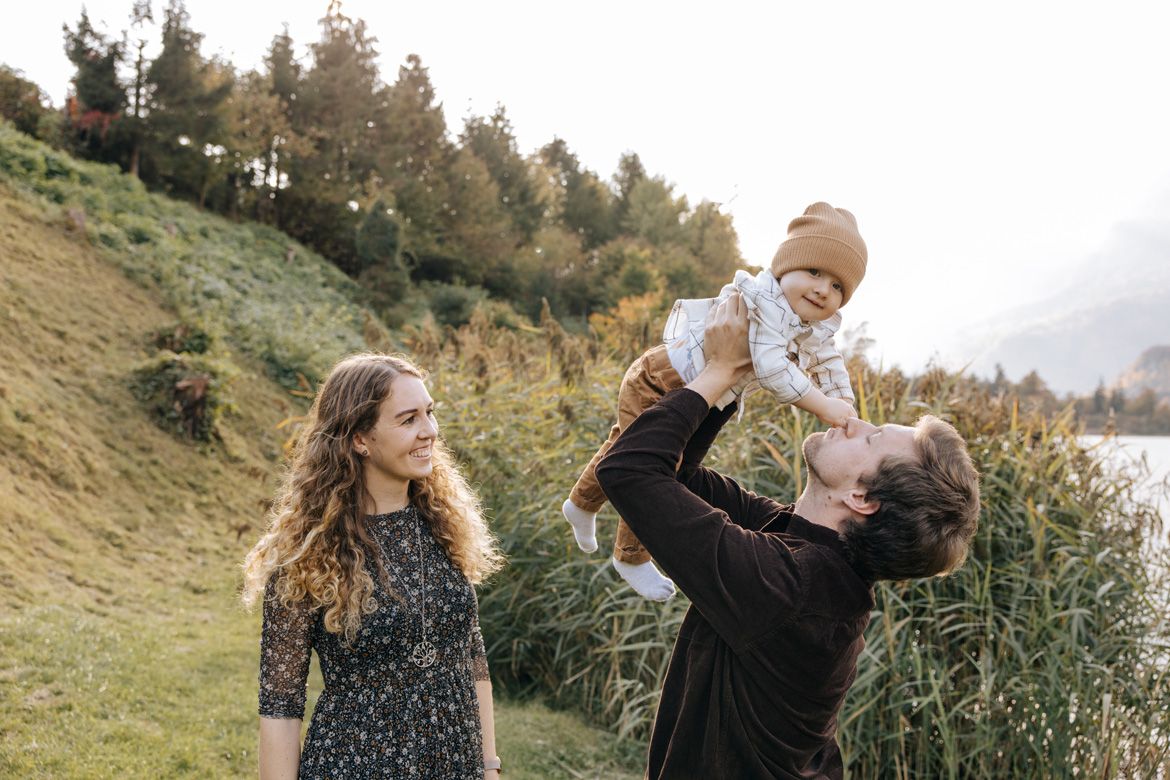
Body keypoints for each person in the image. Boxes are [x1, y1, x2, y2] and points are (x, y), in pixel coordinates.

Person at [595, 295, 981, 779]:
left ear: (862, 498)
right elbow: (679, 476)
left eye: (870, 438)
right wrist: (739, 372)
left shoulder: (791, 587)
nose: (850, 420)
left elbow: (629, 472)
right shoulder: (806, 553)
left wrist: (717, 371)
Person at [564, 202, 866, 601]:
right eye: (813, 272)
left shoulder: (811, 323)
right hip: (661, 380)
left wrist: (843, 400)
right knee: (657, 464)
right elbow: (774, 369)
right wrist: (823, 407)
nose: (822, 289)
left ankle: (581, 504)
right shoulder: (766, 304)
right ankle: (630, 556)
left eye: (837, 286)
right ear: (784, 268)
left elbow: (828, 359)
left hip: (699, 396)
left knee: (623, 444)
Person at [241, 353, 506, 779]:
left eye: (429, 413)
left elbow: (472, 658)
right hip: (357, 765)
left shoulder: (444, 525)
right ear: (360, 439)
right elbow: (280, 707)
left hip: (456, 764)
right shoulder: (308, 556)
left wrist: (489, 767)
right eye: (408, 420)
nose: (430, 431)